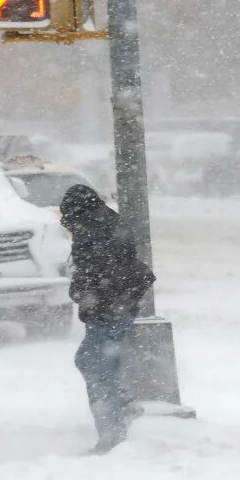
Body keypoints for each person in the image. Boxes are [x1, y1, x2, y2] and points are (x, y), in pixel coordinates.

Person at [59, 185, 156, 454]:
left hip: (108, 309)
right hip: (117, 306)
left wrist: (78, 289)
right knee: (95, 362)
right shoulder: (105, 221)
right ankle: (123, 404)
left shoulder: (92, 231)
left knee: (96, 367)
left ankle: (112, 434)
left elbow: (96, 273)